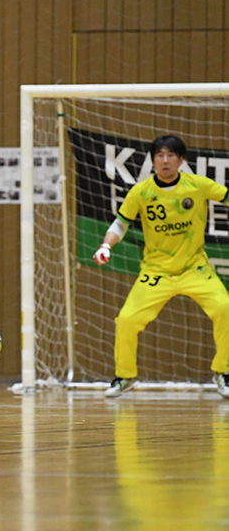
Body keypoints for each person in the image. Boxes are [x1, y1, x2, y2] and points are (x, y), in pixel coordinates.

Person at [93, 135, 229, 398]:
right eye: (160, 156)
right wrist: (106, 246)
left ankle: (223, 371)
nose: (165, 161)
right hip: (156, 271)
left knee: (225, 308)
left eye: (171, 156)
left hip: (194, 268)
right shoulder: (140, 192)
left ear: (181, 160)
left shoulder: (198, 185)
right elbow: (120, 223)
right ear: (153, 160)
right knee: (127, 320)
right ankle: (125, 376)